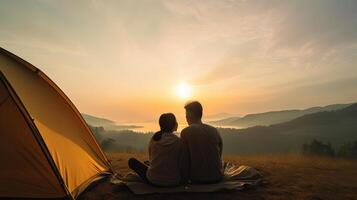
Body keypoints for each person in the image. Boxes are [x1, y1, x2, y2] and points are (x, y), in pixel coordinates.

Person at [128, 113, 181, 186]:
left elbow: (151, 158)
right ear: (173, 124)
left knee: (132, 161)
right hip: (173, 181)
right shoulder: (178, 141)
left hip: (153, 180)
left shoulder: (155, 138)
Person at [180, 101, 223, 184]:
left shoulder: (185, 132)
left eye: (186, 114)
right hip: (217, 177)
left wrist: (183, 180)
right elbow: (219, 154)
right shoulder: (214, 130)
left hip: (197, 179)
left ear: (190, 115)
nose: (186, 117)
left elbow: (184, 160)